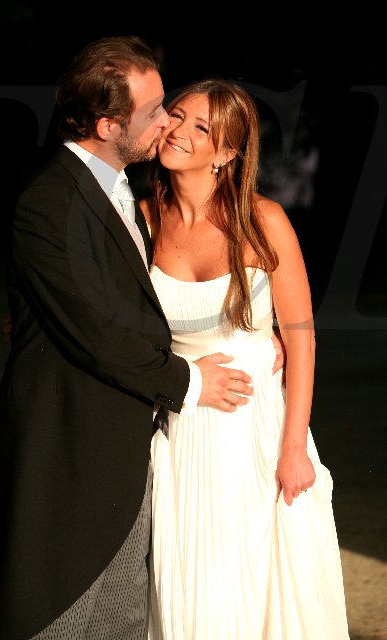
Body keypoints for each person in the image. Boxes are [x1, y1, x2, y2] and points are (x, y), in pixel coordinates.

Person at [0, 37, 284, 640]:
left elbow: (145, 309)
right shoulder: (51, 201)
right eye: (155, 111)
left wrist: (262, 332)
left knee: (119, 620)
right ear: (108, 126)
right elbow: (96, 331)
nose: (167, 122)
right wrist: (190, 382)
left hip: (127, 450)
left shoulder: (123, 195)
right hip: (67, 449)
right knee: (54, 617)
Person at [139, 79, 350, 639]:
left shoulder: (263, 220)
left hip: (258, 431)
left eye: (202, 128)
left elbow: (301, 340)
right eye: (176, 115)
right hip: (184, 432)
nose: (178, 131)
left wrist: (293, 449)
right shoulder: (141, 220)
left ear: (228, 153)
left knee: (264, 588)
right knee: (194, 591)